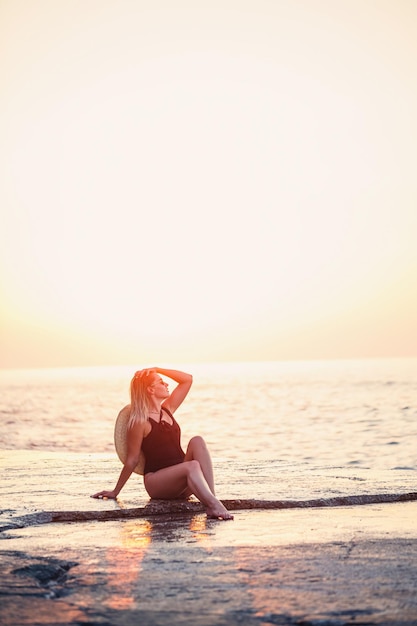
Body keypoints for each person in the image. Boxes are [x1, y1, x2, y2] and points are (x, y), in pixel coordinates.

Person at [92, 367, 233, 521]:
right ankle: (213, 504)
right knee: (192, 466)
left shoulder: (167, 409)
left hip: (182, 479)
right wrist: (115, 491)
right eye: (160, 381)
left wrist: (157, 369)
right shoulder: (139, 421)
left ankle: (211, 500)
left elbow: (187, 380)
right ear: (150, 390)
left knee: (197, 441)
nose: (166, 384)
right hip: (157, 482)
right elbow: (132, 460)